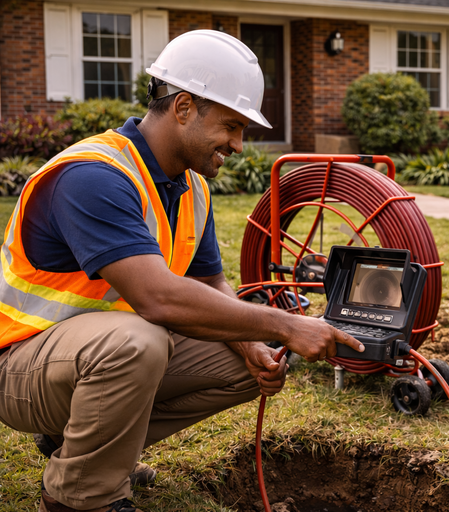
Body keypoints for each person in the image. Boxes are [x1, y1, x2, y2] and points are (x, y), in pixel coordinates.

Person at [0, 30, 364, 512]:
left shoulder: (190, 187)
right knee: (138, 340)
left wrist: (255, 344)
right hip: (20, 365)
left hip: (89, 360)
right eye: (232, 126)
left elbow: (208, 283)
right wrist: (287, 323)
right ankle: (80, 497)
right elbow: (158, 299)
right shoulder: (92, 176)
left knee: (245, 363)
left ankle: (83, 450)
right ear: (185, 107)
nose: (237, 144)